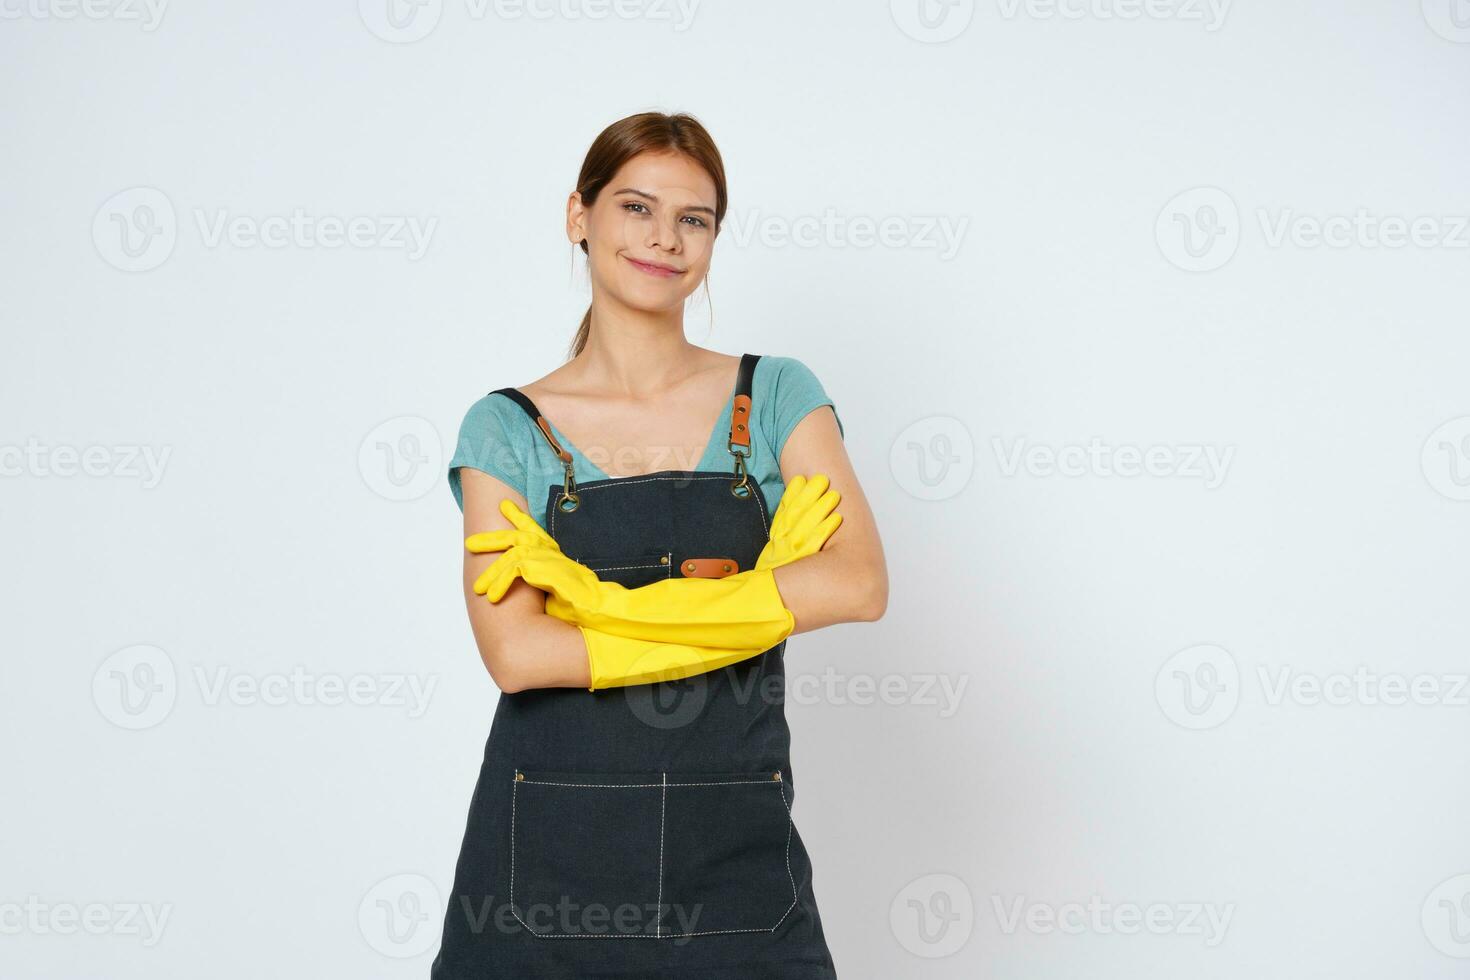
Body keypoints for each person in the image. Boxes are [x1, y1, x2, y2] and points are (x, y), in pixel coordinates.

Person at [431, 110, 887, 979]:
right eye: (636, 208)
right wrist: (765, 596)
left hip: (738, 871)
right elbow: (519, 654)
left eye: (694, 219)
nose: (664, 240)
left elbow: (860, 585)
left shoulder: (779, 394)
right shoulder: (504, 429)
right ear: (580, 216)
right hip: (540, 884)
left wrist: (595, 605)